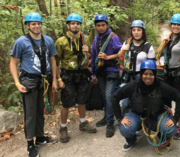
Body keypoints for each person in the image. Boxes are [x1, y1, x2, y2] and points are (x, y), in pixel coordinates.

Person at [111, 60, 180, 153]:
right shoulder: (133, 85)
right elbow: (114, 97)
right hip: (137, 114)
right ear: (141, 74)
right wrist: (120, 118)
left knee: (170, 129)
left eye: (151, 74)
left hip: (157, 115)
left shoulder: (161, 86)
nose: (148, 77)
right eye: (145, 74)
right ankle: (131, 140)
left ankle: (163, 138)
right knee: (125, 128)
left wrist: (175, 118)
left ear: (155, 75)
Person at [10, 12, 57, 157]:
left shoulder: (47, 40)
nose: (36, 26)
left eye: (38, 23)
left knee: (40, 112)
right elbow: (13, 63)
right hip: (28, 82)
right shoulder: (21, 42)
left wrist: (55, 79)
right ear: (28, 26)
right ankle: (30, 144)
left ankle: (40, 138)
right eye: (33, 24)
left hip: (43, 81)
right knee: (30, 114)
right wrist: (17, 83)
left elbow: (53, 60)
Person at [55, 13, 97, 143]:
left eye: (77, 23)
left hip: (82, 73)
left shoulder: (84, 39)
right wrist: (58, 79)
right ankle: (63, 128)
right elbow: (55, 62)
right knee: (66, 102)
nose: (75, 25)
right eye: (72, 23)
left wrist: (87, 51)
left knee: (82, 100)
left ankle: (83, 123)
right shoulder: (61, 41)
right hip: (68, 74)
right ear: (68, 25)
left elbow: (87, 58)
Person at [91, 14, 122, 137]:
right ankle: (107, 116)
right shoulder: (95, 40)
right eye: (98, 25)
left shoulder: (113, 37)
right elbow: (93, 57)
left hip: (111, 70)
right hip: (100, 71)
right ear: (95, 26)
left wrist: (108, 57)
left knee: (109, 96)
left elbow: (121, 53)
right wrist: (93, 73)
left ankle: (110, 123)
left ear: (107, 25)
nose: (101, 27)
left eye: (103, 25)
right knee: (104, 95)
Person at [118, 20, 155, 113]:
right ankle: (124, 119)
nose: (136, 32)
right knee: (124, 101)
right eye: (134, 30)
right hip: (127, 75)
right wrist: (123, 50)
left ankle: (139, 120)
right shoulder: (127, 43)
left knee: (139, 100)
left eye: (139, 30)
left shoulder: (148, 47)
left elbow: (151, 67)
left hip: (140, 76)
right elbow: (119, 56)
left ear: (143, 31)